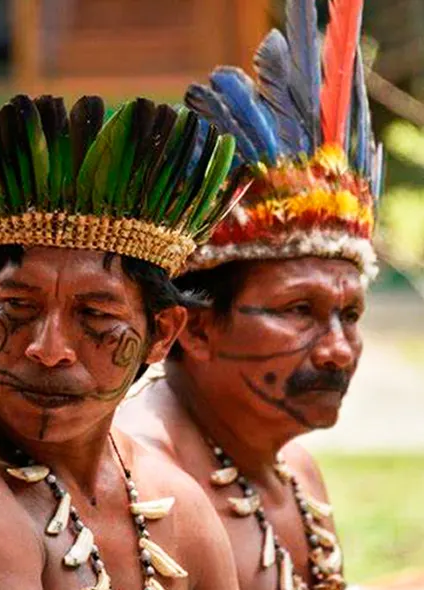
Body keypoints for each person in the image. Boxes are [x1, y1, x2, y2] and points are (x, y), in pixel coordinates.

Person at [114, 2, 383, 588]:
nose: (338, 350)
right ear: (196, 328)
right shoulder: (138, 486)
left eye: (351, 313)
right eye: (299, 310)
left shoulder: (297, 472)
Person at [0, 94, 246, 590]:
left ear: (162, 334)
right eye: (18, 307)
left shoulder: (178, 503)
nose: (49, 349)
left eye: (96, 315)